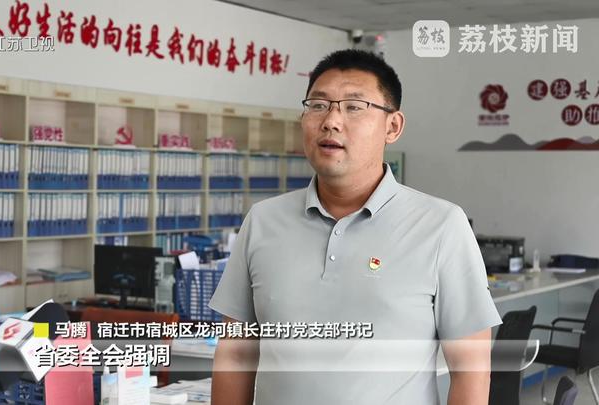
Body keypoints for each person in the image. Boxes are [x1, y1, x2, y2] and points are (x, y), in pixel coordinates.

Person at [208, 49, 502, 405]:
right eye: (318, 105)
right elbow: (235, 355)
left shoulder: (441, 226)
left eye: (354, 107)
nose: (331, 121)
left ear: (392, 127)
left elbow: (472, 371)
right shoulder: (262, 221)